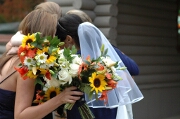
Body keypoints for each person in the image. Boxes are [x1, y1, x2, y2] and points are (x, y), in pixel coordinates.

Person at [0, 2, 83, 119]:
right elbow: (21, 115)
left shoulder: (13, 55)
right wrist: (60, 99)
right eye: (54, 36)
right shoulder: (29, 67)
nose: (58, 43)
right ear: (45, 37)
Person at [55, 14, 143, 119]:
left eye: (60, 42)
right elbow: (134, 69)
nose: (60, 47)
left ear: (69, 39)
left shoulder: (69, 63)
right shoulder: (106, 56)